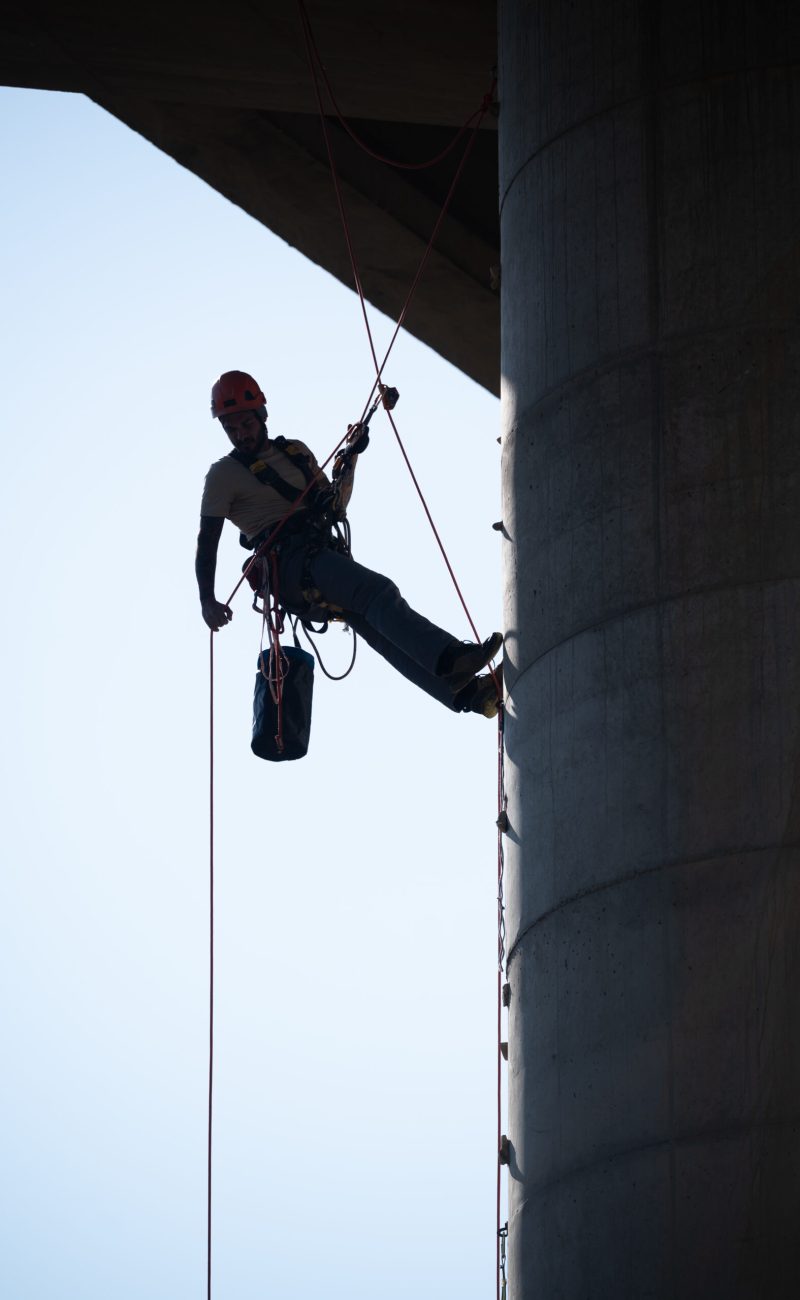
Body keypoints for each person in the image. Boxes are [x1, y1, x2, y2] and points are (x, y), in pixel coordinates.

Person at [195, 370, 502, 716]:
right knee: (377, 593)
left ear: (261, 416)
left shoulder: (295, 453)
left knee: (375, 626)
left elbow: (334, 505)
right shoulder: (223, 475)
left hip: (319, 555)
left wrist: (351, 457)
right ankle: (450, 658)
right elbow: (208, 542)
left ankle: (471, 696)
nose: (240, 435)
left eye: (246, 425)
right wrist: (207, 599)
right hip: (292, 563)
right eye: (231, 428)